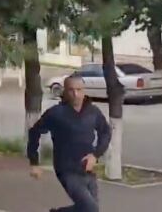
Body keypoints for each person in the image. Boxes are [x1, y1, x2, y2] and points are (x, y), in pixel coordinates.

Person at [27, 75, 111, 212]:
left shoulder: (93, 112)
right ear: (65, 91)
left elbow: (106, 132)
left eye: (79, 90)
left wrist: (95, 155)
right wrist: (34, 162)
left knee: (88, 210)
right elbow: (34, 132)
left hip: (87, 170)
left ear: (84, 90)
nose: (75, 94)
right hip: (66, 170)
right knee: (91, 209)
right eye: (71, 90)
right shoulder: (56, 114)